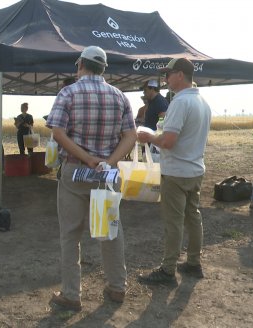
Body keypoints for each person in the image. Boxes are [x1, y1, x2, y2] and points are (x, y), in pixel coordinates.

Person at [46, 46, 137, 312]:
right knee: (110, 231)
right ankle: (117, 287)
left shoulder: (68, 92)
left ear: (80, 64)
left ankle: (71, 294)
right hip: (106, 175)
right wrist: (108, 162)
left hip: (75, 171)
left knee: (70, 234)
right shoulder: (119, 96)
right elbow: (130, 136)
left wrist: (87, 159)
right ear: (104, 68)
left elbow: (58, 134)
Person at [137, 58, 211, 284]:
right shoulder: (202, 102)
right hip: (195, 169)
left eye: (168, 74)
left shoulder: (179, 102)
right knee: (193, 217)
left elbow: (168, 141)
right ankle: (193, 263)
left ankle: (168, 270)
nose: (165, 79)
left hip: (177, 171)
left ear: (180, 75)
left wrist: (149, 136)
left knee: (173, 222)